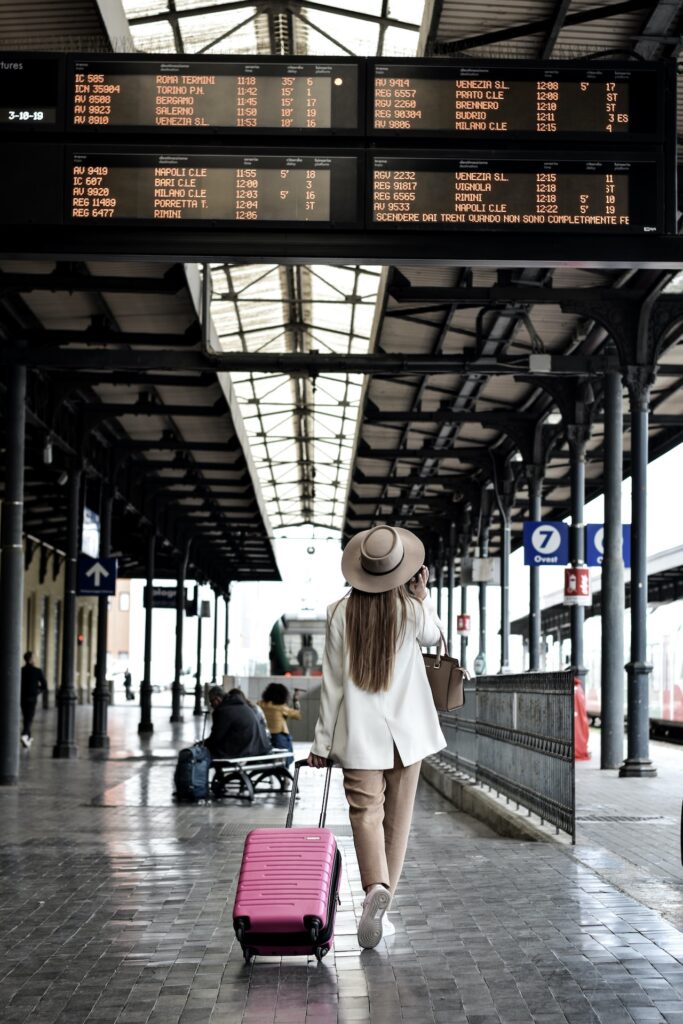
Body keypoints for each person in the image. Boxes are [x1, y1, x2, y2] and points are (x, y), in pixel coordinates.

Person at [307, 525, 446, 949]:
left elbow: (331, 685)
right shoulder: (411, 610)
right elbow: (436, 638)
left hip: (360, 739)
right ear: (398, 571)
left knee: (365, 815)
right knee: (397, 822)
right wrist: (423, 596)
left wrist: (321, 745)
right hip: (410, 736)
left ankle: (374, 888)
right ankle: (384, 899)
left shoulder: (336, 613)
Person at [258, 682, 302, 766]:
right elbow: (297, 715)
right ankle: (284, 777)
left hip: (264, 736)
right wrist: (296, 700)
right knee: (284, 761)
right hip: (280, 737)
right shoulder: (282, 708)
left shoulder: (260, 704)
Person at [20, 652, 48, 748]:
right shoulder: (37, 671)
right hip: (32, 698)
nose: (35, 659)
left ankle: (28, 738)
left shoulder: (21, 671)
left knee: (26, 717)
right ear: (31, 659)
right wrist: (37, 691)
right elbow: (44, 685)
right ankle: (24, 735)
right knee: (29, 718)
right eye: (34, 657)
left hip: (22, 698)